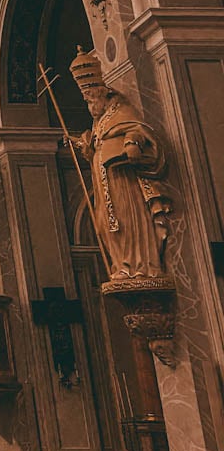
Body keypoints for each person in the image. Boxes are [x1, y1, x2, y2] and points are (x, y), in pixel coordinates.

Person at [70, 49, 171, 281]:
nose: (88, 104)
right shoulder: (98, 121)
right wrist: (86, 148)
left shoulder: (122, 111)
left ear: (100, 93)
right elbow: (96, 147)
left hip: (123, 181)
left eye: (89, 98)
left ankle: (141, 264)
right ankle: (122, 263)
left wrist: (131, 142)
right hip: (104, 183)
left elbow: (138, 130)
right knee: (105, 223)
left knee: (128, 219)